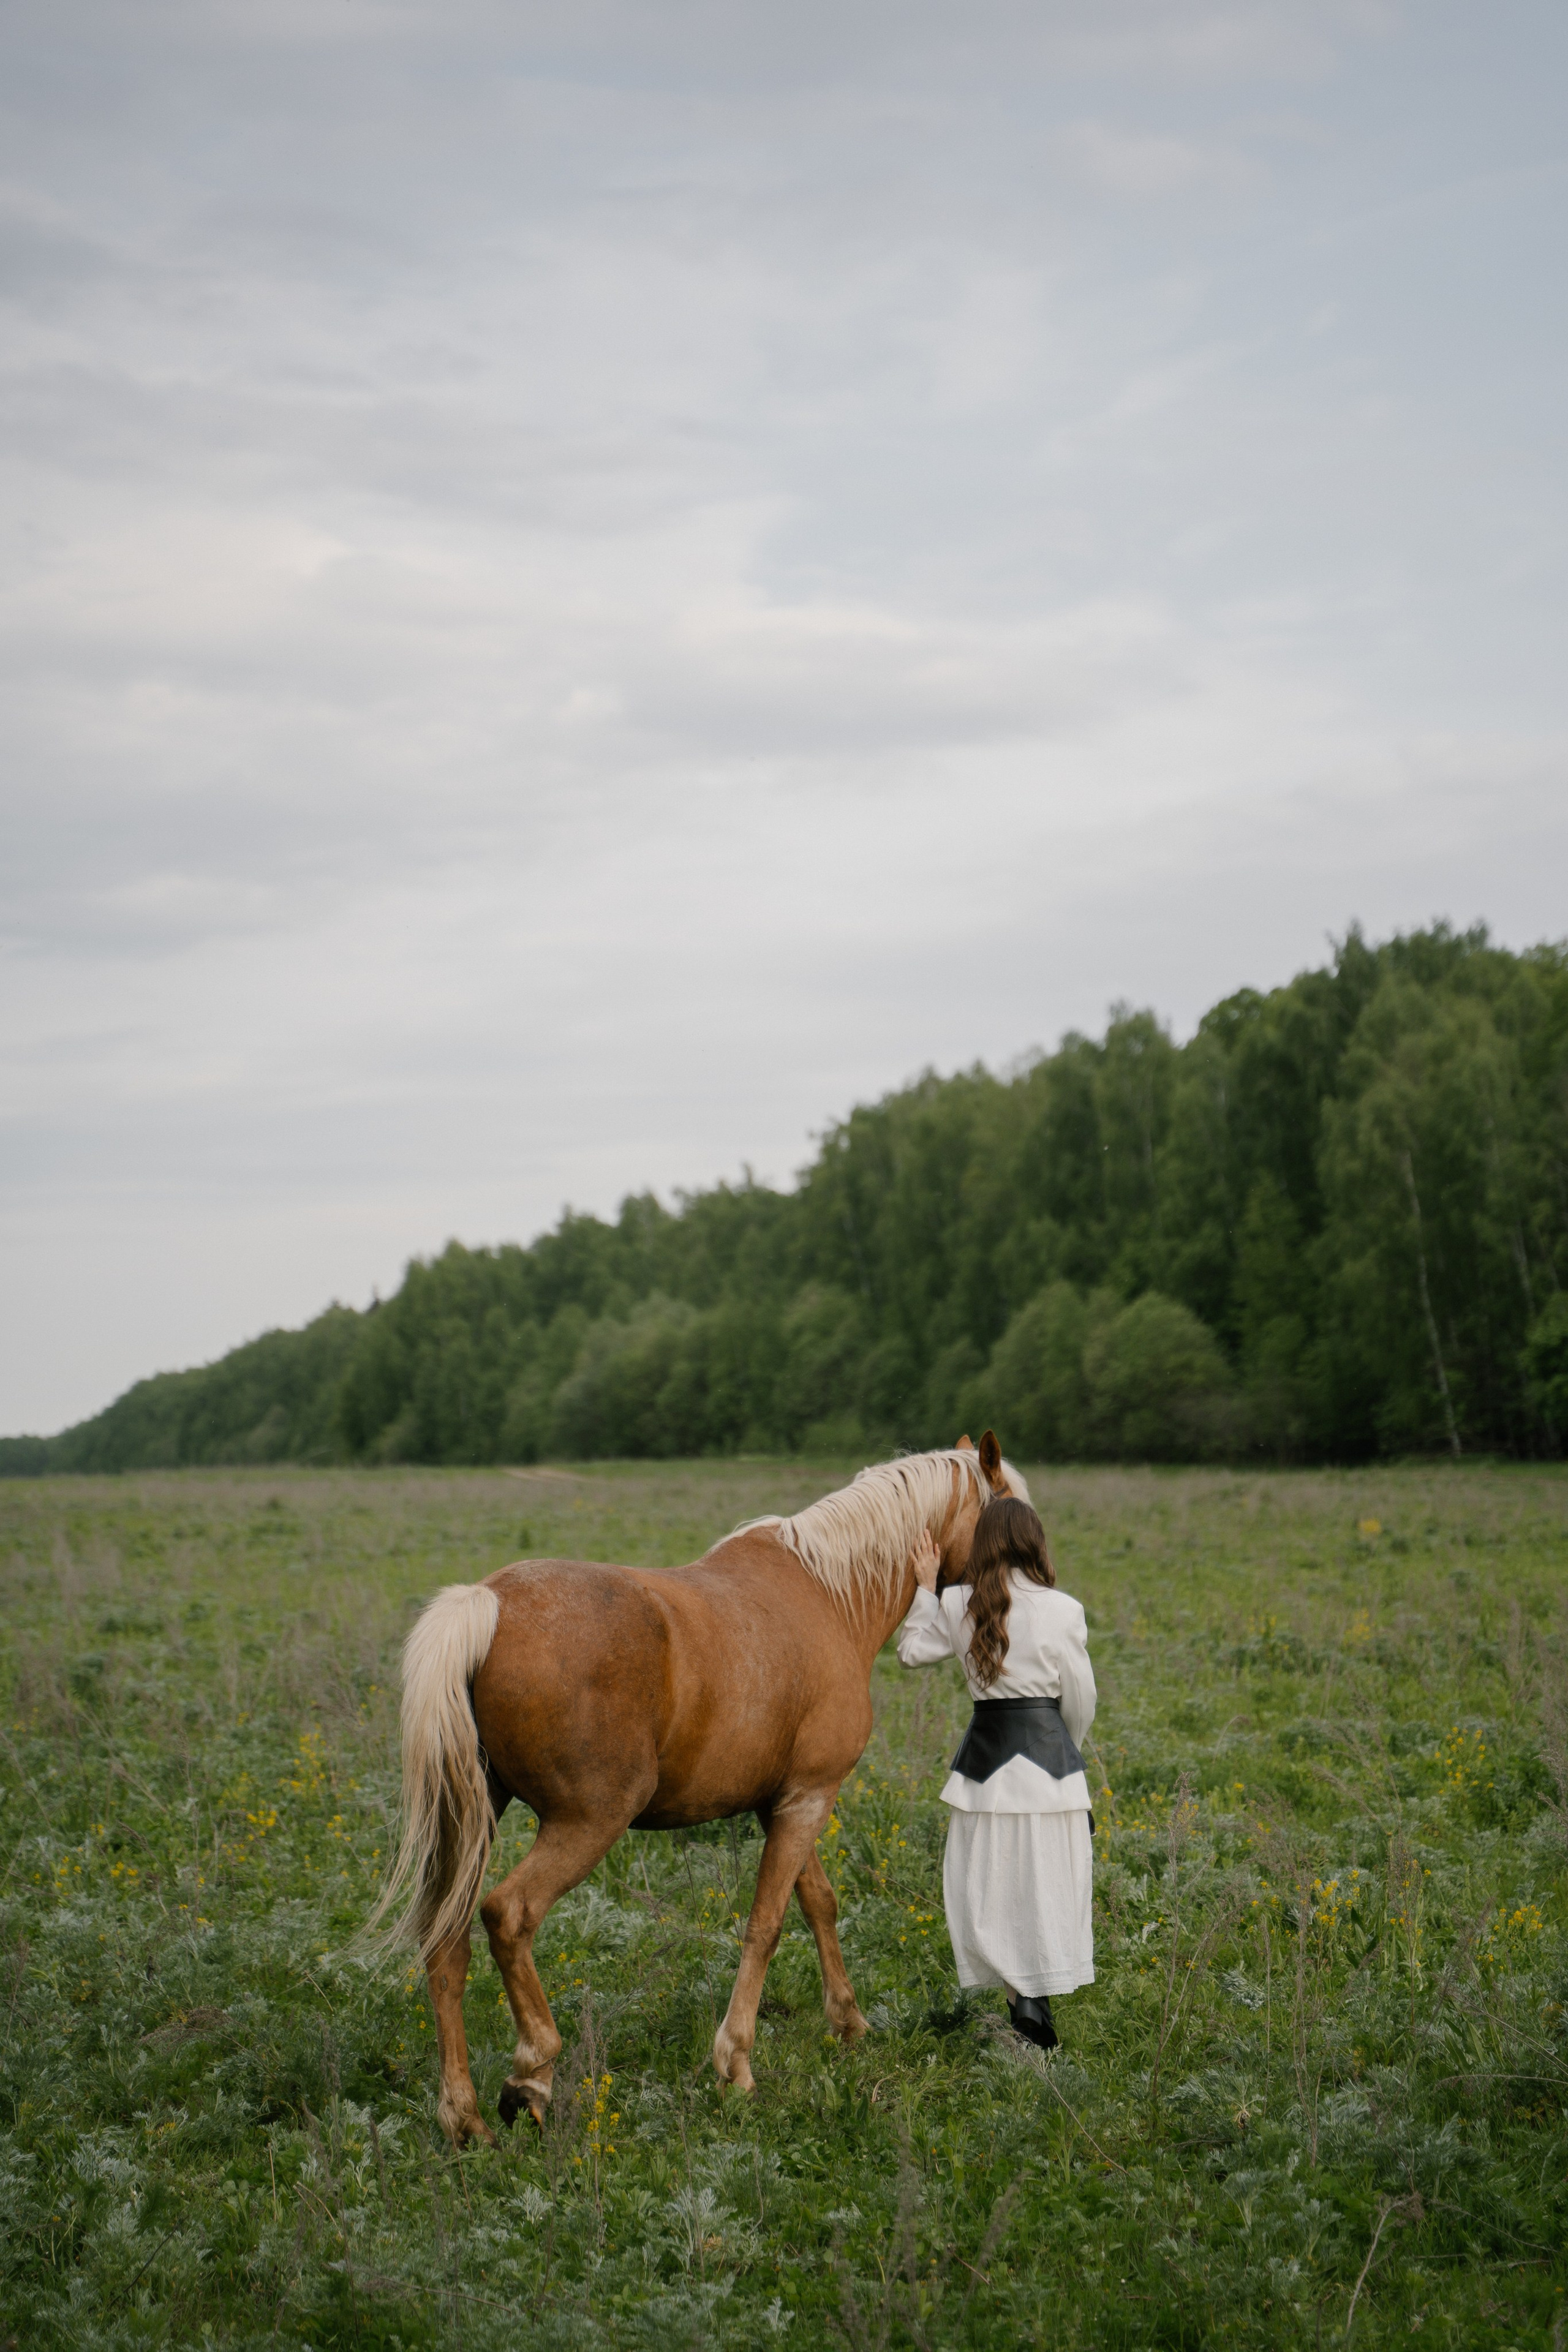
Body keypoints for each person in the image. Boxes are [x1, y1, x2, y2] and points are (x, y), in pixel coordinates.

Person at [897, 1494, 1096, 2050]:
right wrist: (1068, 1755)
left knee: (994, 1892)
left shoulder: (959, 1602)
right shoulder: (1065, 1610)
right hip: (1053, 1771)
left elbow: (909, 1652)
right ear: (1036, 1544)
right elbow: (1081, 1701)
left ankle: (1026, 2005)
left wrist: (925, 1587)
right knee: (1047, 1889)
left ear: (983, 1545)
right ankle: (1032, 2005)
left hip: (983, 1772)